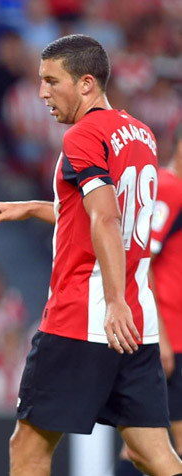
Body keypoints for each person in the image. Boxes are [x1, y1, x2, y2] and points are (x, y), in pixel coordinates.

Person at [0, 34, 182, 476]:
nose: (41, 93)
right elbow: (108, 214)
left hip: (85, 316)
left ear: (86, 83)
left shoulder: (83, 136)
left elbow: (105, 218)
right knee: (153, 455)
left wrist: (114, 301)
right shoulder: (140, 133)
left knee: (28, 449)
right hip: (137, 321)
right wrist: (33, 207)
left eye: (52, 81)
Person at [114, 122, 182, 475]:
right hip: (172, 339)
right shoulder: (170, 189)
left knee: (145, 446)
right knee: (155, 446)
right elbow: (142, 260)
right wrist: (163, 340)